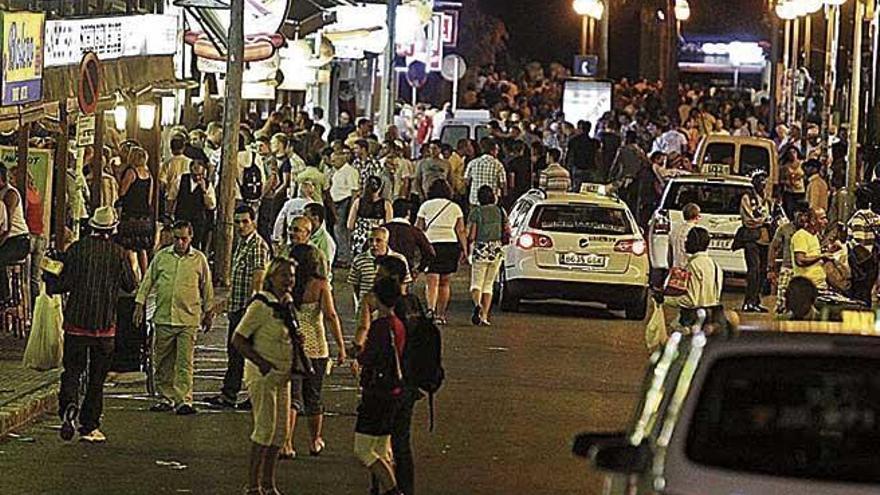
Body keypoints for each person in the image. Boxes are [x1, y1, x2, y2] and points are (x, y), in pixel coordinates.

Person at [52, 206, 138, 443]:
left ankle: (68, 405)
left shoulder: (77, 249)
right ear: (112, 229)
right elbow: (130, 285)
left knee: (72, 370)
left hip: (76, 323)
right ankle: (89, 424)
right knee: (97, 378)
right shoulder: (118, 254)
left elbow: (62, 283)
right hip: (104, 327)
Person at [134, 221, 214, 415]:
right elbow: (147, 282)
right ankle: (166, 397)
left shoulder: (199, 259)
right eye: (177, 238)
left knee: (184, 362)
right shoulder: (162, 257)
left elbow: (207, 287)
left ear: (191, 238)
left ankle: (184, 400)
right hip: (163, 317)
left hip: (188, 319)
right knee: (162, 361)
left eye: (184, 239)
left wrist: (209, 311)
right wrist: (139, 304)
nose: (180, 243)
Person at [231, 257, 296, 495]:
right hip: (263, 375)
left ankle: (269, 483)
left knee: (280, 431)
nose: (289, 281)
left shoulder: (287, 303)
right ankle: (253, 485)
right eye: (284, 276)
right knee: (264, 428)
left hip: (283, 375)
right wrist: (263, 364)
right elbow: (238, 339)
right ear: (272, 277)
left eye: (291, 276)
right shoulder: (260, 305)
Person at [282, 244, 347, 459]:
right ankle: (315, 440)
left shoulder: (286, 285)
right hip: (316, 348)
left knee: (292, 397)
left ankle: (287, 442)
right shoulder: (320, 285)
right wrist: (341, 345)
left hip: (291, 346)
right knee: (314, 396)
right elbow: (330, 315)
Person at [207, 206, 271, 409]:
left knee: (250, 356)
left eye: (245, 221)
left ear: (253, 221)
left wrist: (253, 310)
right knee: (235, 355)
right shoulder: (241, 244)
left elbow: (259, 277)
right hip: (237, 308)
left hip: (248, 310)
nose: (241, 226)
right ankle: (229, 394)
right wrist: (219, 307)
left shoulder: (257, 246)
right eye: (238, 222)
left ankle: (254, 396)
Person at [351, 277, 406, 495]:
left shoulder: (380, 327)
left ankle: (393, 491)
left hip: (377, 393)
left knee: (363, 450)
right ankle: (388, 489)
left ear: (377, 298)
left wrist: (358, 353)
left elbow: (369, 357)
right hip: (393, 390)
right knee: (381, 449)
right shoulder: (398, 324)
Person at [416, 179, 468, 324]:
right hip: (450, 244)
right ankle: (441, 314)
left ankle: (430, 309)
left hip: (431, 244)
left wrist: (418, 247)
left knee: (431, 281)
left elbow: (418, 228)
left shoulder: (425, 206)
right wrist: (465, 250)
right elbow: (461, 230)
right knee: (445, 283)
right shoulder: (455, 207)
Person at [467, 186, 508, 326]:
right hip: (496, 249)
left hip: (481, 248)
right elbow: (507, 229)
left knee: (476, 282)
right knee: (489, 284)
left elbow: (471, 235)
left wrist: (466, 247)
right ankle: (484, 316)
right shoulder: (500, 211)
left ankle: (477, 305)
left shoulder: (476, 211)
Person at [673, 226, 724, 327]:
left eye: (688, 239)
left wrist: (666, 299)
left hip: (695, 319)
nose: (685, 242)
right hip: (711, 318)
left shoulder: (694, 265)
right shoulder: (715, 265)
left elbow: (691, 300)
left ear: (695, 242)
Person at [348, 227, 411, 307]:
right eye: (371, 240)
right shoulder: (359, 260)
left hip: (391, 307)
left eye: (378, 240)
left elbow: (404, 285)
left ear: (386, 241)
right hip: (366, 306)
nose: (374, 244)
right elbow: (356, 285)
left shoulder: (399, 259)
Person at [117, 146, 155, 277]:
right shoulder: (149, 174)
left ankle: (132, 276)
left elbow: (122, 192)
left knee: (128, 246)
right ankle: (145, 276)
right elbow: (149, 199)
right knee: (142, 248)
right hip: (144, 215)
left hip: (131, 214)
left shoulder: (131, 172)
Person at [739, 171, 771, 312]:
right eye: (759, 180)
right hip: (752, 238)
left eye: (764, 180)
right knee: (754, 271)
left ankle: (756, 301)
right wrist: (764, 221)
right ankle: (748, 302)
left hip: (764, 239)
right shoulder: (748, 198)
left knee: (762, 271)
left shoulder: (765, 198)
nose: (763, 183)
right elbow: (749, 220)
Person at [168, 160, 216, 251]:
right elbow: (171, 197)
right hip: (182, 217)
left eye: (200, 174)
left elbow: (211, 206)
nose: (198, 177)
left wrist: (204, 191)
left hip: (197, 221)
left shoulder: (208, 185)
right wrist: (170, 215)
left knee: (195, 245)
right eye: (195, 175)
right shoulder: (181, 179)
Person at [385, 199, 435, 282]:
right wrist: (419, 269)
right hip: (406, 271)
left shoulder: (383, 229)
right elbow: (430, 253)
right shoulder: (414, 232)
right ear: (408, 213)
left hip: (384, 269)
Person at [0, 164, 30, 305]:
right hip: (8, 239)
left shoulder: (10, 194)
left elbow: (7, 227)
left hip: (18, 241)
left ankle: (5, 298)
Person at [329, 147, 360, 267]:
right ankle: (340, 255)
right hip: (335, 202)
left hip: (345, 202)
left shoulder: (350, 171)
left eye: (334, 160)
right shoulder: (336, 171)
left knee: (341, 230)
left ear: (342, 159)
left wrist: (352, 210)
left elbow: (354, 192)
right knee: (336, 230)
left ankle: (345, 258)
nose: (332, 162)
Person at [768, 208, 804, 315]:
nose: (802, 218)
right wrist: (770, 269)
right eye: (799, 214)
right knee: (781, 303)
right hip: (788, 268)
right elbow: (774, 247)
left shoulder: (809, 231)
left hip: (803, 269)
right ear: (794, 213)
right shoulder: (784, 228)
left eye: (804, 215)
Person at [791, 207, 834, 291]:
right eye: (822, 218)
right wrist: (821, 256)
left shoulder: (815, 236)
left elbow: (813, 255)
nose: (826, 221)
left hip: (819, 284)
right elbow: (800, 260)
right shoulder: (801, 236)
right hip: (806, 286)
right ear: (813, 221)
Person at [349, 176, 393, 258]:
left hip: (360, 240)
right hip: (378, 239)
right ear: (380, 188)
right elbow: (389, 226)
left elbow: (350, 225)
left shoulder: (358, 202)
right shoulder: (386, 204)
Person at [464, 138, 507, 207]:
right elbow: (503, 185)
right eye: (497, 150)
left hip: (474, 200)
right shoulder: (498, 165)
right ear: (492, 151)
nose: (497, 152)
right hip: (491, 202)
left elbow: (466, 181)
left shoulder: (472, 163)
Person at [565, 120, 600, 189]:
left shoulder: (573, 141)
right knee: (589, 191)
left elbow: (569, 156)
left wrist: (568, 167)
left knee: (577, 189)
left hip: (578, 168)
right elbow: (598, 156)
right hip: (590, 169)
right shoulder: (595, 143)